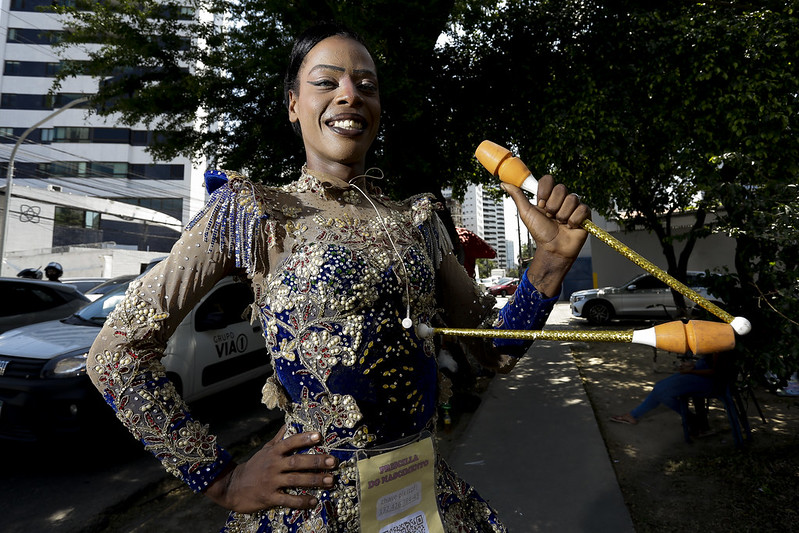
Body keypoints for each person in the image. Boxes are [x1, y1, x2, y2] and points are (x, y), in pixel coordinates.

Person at [87, 22, 590, 532]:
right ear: (292, 105)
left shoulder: (419, 223)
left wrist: (550, 264)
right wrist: (222, 480)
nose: (350, 94)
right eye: (326, 82)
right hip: (314, 512)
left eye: (366, 85)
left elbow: (491, 351)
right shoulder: (252, 212)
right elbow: (115, 354)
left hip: (420, 500)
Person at [610, 352, 724, 429]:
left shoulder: (721, 343)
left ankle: (691, 418)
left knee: (662, 391)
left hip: (708, 382)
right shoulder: (715, 340)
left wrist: (691, 371)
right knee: (660, 388)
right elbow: (707, 364)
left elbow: (715, 372)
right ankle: (691, 419)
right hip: (698, 376)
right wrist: (692, 366)